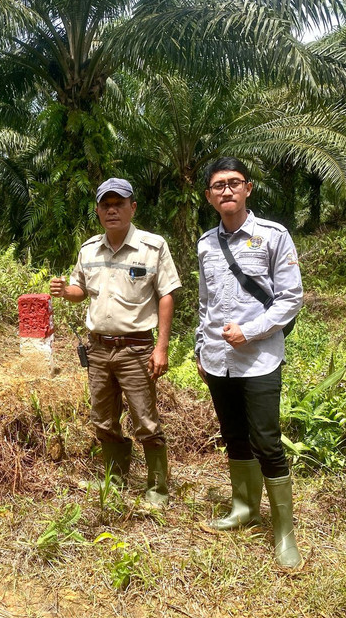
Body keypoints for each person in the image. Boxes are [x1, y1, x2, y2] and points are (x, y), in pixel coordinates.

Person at [196, 157, 303, 569]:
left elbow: (290, 299)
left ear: (248, 189)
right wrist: (200, 349)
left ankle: (283, 532)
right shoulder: (206, 243)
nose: (227, 191)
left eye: (234, 183)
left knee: (267, 441)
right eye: (218, 185)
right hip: (218, 359)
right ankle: (243, 508)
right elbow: (206, 303)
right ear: (209, 195)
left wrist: (251, 331)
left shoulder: (274, 236)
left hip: (259, 358)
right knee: (234, 435)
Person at [50, 178, 181, 505]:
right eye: (105, 205)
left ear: (132, 207)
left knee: (145, 421)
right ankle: (116, 479)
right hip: (98, 349)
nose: (112, 210)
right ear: (97, 210)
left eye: (119, 203)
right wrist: (67, 292)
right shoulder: (88, 249)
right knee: (103, 419)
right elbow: (82, 290)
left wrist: (161, 347)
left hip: (137, 348)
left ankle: (157, 488)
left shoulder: (153, 247)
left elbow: (166, 295)